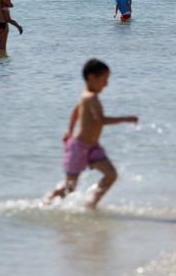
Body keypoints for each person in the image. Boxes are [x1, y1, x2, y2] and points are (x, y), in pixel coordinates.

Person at [46, 59, 139, 209]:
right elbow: (100, 120)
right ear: (91, 78)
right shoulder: (90, 97)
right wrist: (125, 119)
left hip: (93, 148)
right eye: (104, 80)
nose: (106, 84)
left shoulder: (85, 96)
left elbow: (76, 111)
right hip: (79, 148)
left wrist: (69, 131)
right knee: (70, 187)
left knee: (111, 175)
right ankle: (46, 203)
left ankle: (90, 204)